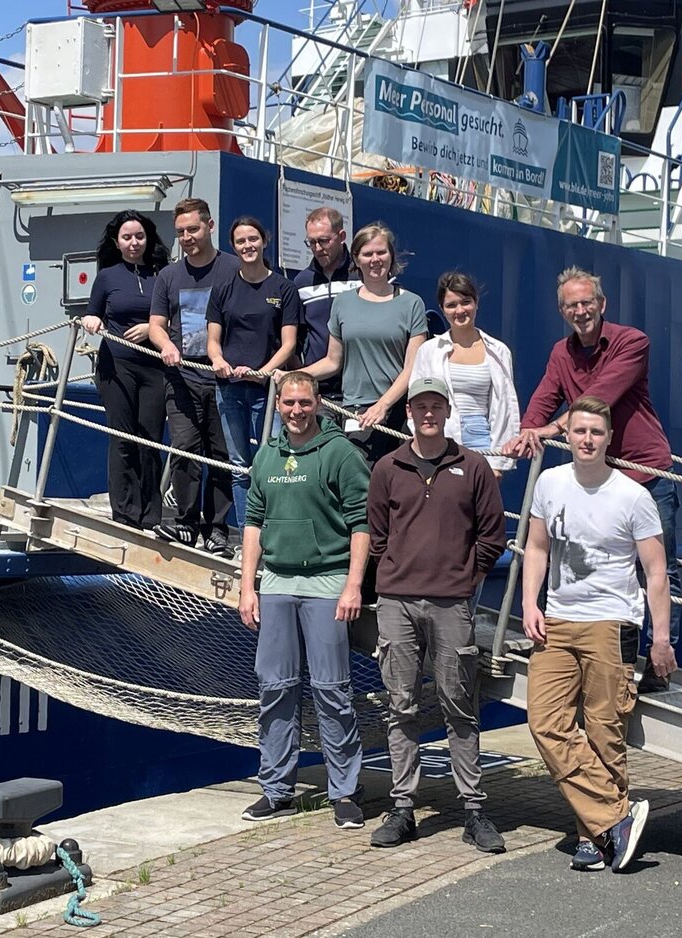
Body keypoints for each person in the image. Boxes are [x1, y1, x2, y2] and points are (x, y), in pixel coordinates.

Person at [502, 267, 680, 692]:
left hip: (644, 473)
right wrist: (530, 427)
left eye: (586, 303)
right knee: (589, 561)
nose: (580, 311)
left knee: (657, 572)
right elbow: (546, 394)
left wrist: (552, 428)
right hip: (596, 482)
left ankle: (660, 661)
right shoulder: (561, 353)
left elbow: (600, 396)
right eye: (571, 306)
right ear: (562, 311)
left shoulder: (632, 343)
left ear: (602, 305)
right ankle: (586, 649)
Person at [521, 395, 677, 873]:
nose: (586, 439)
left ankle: (593, 837)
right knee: (545, 722)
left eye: (595, 432)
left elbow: (655, 573)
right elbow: (537, 548)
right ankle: (616, 818)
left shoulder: (633, 496)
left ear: (609, 439)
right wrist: (530, 601)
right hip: (558, 619)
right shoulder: (550, 482)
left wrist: (661, 639)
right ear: (566, 435)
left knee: (605, 732)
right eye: (579, 431)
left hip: (612, 623)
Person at [366, 377, 507, 853]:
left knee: (459, 706)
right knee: (401, 706)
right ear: (409, 412)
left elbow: (492, 535)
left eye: (436, 406)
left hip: (451, 603)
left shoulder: (473, 466)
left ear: (447, 412)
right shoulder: (388, 467)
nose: (428, 413)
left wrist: (465, 580)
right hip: (397, 602)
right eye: (420, 406)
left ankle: (473, 810)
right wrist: (397, 571)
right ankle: (403, 808)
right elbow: (378, 533)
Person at [238, 371, 368, 830]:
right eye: (288, 403)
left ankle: (346, 792)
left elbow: (361, 524)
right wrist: (247, 585)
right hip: (275, 584)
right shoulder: (267, 455)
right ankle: (276, 791)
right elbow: (253, 521)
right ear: (278, 405)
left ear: (319, 404)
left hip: (326, 583)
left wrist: (353, 585)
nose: (296, 411)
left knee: (332, 691)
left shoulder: (341, 455)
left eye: (304, 403)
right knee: (275, 689)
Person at [148, 198, 237, 556]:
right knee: (184, 448)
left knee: (220, 453)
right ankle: (186, 522)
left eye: (193, 229)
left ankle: (217, 529)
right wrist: (166, 345)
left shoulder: (232, 269)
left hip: (223, 377)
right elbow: (156, 325)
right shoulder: (169, 276)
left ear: (210, 226)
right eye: (181, 232)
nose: (186, 237)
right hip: (182, 376)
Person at [300, 222, 428, 467]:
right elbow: (332, 361)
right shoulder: (343, 303)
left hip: (399, 410)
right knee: (359, 487)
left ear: (391, 256)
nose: (375, 259)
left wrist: (383, 405)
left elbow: (413, 366)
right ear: (356, 259)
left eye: (381, 252)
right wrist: (294, 374)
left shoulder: (412, 303)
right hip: (358, 410)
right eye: (368, 254)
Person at [81, 210, 170, 530]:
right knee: (122, 437)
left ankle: (151, 514)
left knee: (150, 439)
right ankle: (126, 512)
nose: (134, 243)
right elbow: (93, 313)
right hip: (117, 365)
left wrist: (151, 328)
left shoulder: (163, 275)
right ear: (116, 243)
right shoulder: (107, 276)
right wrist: (92, 321)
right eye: (127, 237)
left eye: (140, 236)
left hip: (154, 367)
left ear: (148, 239)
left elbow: (174, 317)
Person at [207, 217, 301, 514]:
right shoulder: (223, 288)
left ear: (264, 241)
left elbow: (289, 343)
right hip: (230, 388)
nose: (247, 245)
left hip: (268, 391)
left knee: (271, 463)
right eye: (240, 241)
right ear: (233, 247)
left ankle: (272, 532)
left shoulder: (283, 288)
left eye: (253, 239)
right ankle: (248, 536)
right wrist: (218, 361)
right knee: (238, 466)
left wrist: (265, 372)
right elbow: (213, 340)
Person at [410, 272, 519, 479]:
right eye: (451, 305)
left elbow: (505, 407)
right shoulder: (429, 350)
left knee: (479, 508)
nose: (459, 310)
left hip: (482, 439)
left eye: (465, 302)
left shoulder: (499, 351)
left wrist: (498, 462)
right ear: (442, 309)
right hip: (441, 435)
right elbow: (416, 400)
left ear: (476, 303)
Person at [291, 206, 358, 399]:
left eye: (324, 241)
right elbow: (297, 337)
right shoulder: (302, 282)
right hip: (319, 389)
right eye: (311, 242)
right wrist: (302, 374)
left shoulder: (361, 275)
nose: (318, 249)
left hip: (359, 390)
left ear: (342, 235)